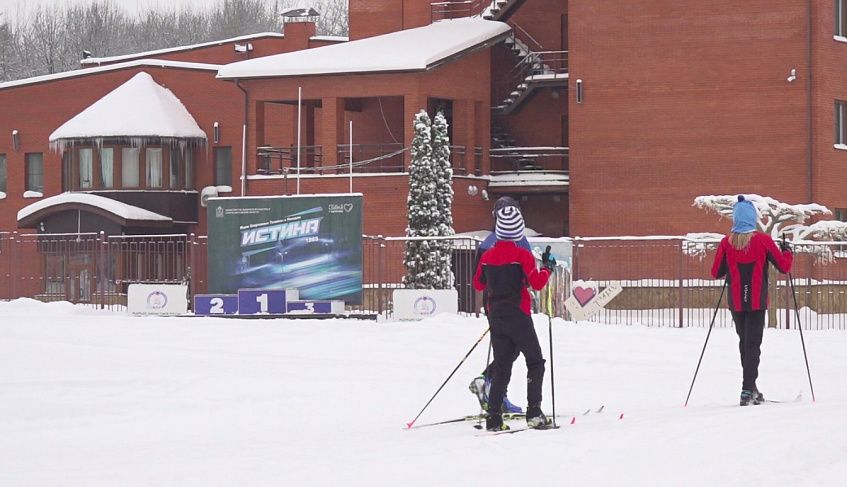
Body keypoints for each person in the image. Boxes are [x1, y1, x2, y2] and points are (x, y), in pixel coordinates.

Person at [473, 206, 555, 430]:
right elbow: (536, 283)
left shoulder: (488, 256)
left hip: (496, 315)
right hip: (518, 313)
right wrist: (547, 268)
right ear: (519, 231)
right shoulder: (522, 256)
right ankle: (534, 413)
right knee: (535, 361)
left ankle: (494, 418)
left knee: (502, 365)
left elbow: (478, 283)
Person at [710, 195, 793, 406]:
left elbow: (715, 272)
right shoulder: (763, 240)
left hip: (736, 302)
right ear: (753, 218)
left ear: (736, 220)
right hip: (756, 301)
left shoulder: (726, 243)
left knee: (744, 343)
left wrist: (730, 264)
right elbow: (783, 266)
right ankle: (747, 389)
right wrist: (788, 252)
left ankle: (750, 388)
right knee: (753, 345)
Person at [468, 196, 530, 415]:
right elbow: (527, 276)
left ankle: (490, 383)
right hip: (514, 303)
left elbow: (478, 279)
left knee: (506, 348)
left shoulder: (486, 243)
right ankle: (494, 389)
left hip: (493, 303)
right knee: (515, 349)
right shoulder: (520, 241)